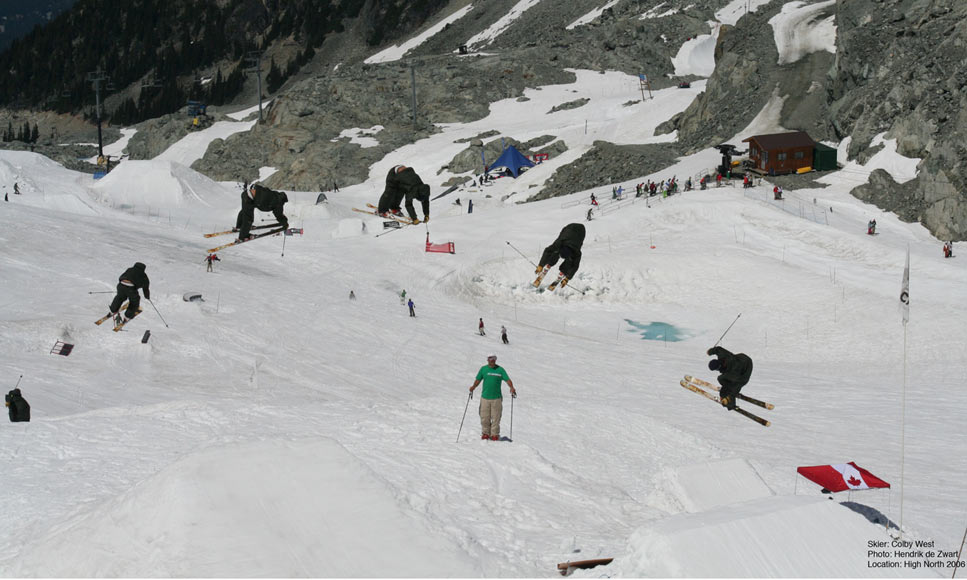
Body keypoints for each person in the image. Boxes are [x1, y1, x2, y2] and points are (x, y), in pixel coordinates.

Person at [468, 355, 516, 440]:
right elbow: (478, 380)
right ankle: (485, 433)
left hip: (496, 398)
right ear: (487, 360)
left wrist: (511, 387)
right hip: (485, 397)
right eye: (490, 359)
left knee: (496, 417)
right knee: (484, 416)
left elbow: (507, 380)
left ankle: (494, 434)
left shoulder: (500, 370)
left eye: (494, 359)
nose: (492, 360)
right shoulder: (483, 369)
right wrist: (473, 387)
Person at [536, 223, 586, 289]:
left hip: (581, 233)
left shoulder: (576, 252)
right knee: (555, 252)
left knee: (570, 261)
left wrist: (567, 278)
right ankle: (548, 265)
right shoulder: (560, 243)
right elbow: (548, 251)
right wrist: (541, 265)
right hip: (568, 229)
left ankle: (562, 272)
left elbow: (575, 266)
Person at [707, 346, 753, 411]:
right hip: (741, 357)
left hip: (746, 367)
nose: (717, 370)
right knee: (722, 378)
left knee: (730, 382)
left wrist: (730, 398)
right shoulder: (722, 357)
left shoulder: (733, 370)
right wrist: (710, 351)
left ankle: (729, 401)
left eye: (717, 369)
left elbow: (737, 385)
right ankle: (725, 395)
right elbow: (718, 349)